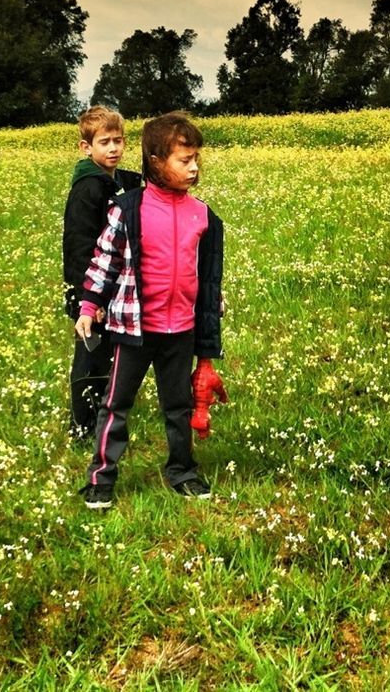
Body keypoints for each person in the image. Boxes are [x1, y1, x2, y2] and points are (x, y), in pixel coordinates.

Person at [74, 111, 225, 510]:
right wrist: (90, 306)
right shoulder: (128, 209)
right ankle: (100, 478)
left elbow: (206, 274)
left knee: (179, 406)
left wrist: (212, 302)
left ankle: (183, 471)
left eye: (196, 160)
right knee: (116, 405)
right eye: (184, 160)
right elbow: (104, 261)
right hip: (134, 328)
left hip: (181, 330)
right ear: (156, 161)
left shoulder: (203, 215)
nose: (194, 168)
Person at [62, 106, 142, 442]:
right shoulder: (88, 188)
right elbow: (79, 244)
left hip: (108, 284)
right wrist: (86, 298)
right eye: (105, 142)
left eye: (118, 141)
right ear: (86, 148)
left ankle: (100, 414)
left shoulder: (113, 179)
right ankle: (82, 425)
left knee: (106, 354)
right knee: (91, 355)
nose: (113, 148)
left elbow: (136, 184)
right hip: (89, 288)